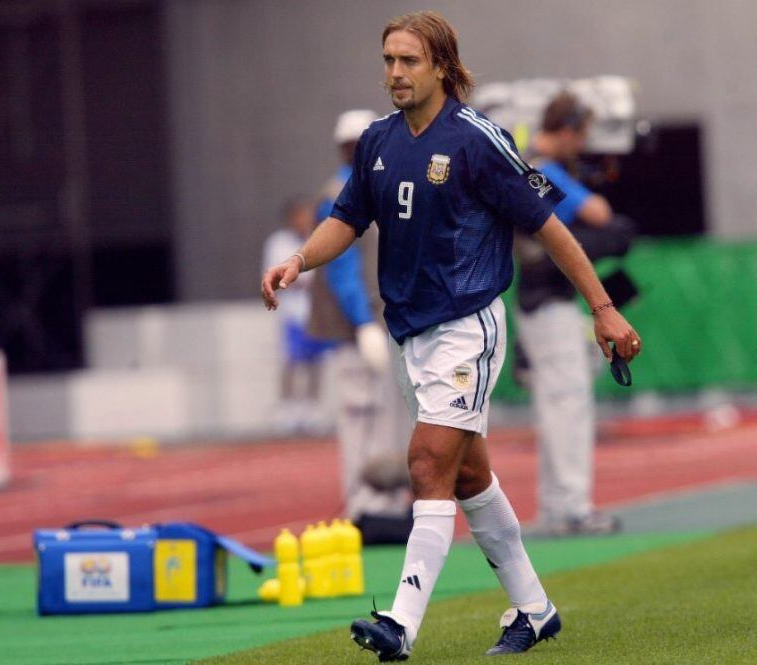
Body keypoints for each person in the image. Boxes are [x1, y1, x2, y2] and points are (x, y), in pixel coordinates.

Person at [261, 11, 641, 660]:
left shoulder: (477, 140)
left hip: (469, 323)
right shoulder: (379, 142)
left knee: (426, 463)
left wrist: (604, 307)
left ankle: (400, 624)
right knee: (467, 477)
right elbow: (347, 220)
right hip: (412, 332)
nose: (396, 73)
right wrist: (301, 260)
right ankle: (535, 608)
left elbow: (549, 227)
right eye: (388, 61)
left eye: (408, 61)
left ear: (441, 64)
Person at [515, 92, 637, 536]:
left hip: (541, 298)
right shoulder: (539, 168)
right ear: (566, 131)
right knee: (568, 401)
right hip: (547, 298)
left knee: (555, 403)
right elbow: (596, 212)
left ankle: (555, 506)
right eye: (581, 134)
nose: (582, 144)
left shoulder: (533, 163)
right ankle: (572, 507)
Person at [308, 110, 413, 538]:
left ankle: (385, 503)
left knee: (387, 417)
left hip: (381, 323)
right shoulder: (339, 192)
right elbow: (342, 267)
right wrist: (362, 323)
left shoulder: (379, 187)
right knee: (360, 416)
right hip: (355, 331)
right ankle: (362, 507)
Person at [261, 196, 329, 434]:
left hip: (313, 312)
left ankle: (312, 408)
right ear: (291, 218)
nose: (304, 221)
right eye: (300, 216)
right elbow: (280, 277)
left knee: (316, 363)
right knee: (291, 362)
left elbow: (323, 276)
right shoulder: (278, 243)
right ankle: (287, 408)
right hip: (292, 313)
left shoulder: (315, 240)